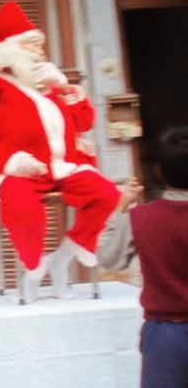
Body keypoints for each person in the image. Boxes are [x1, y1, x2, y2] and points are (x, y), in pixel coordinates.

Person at [0, 0, 120, 302]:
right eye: (30, 46)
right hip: (21, 171)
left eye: (40, 47)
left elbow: (85, 121)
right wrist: (10, 162)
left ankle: (63, 259)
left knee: (107, 195)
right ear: (9, 52)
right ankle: (33, 268)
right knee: (21, 207)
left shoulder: (51, 88)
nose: (38, 54)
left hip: (65, 167)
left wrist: (65, 89)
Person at [98, 126, 188, 388]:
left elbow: (109, 259)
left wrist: (120, 208)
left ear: (158, 170)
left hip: (165, 335)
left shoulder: (141, 218)